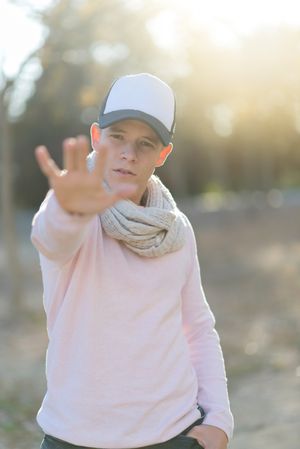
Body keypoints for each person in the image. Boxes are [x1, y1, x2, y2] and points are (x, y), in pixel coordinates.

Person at [31, 73, 234, 449]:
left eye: (146, 143)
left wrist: (219, 420)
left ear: (163, 154)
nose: (128, 153)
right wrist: (69, 211)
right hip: (75, 437)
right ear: (96, 137)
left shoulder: (177, 229)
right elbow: (51, 239)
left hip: (173, 433)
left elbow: (198, 327)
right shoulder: (70, 209)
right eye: (118, 137)